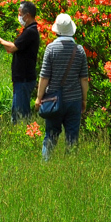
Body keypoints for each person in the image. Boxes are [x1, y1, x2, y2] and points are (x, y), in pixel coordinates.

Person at [35, 13, 89, 161]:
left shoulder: (51, 49)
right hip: (74, 100)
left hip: (53, 100)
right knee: (72, 137)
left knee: (50, 134)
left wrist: (39, 98)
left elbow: (44, 76)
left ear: (57, 30)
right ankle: (71, 168)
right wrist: (84, 100)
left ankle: (45, 166)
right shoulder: (79, 50)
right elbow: (84, 78)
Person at [0, 0, 41, 123]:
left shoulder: (31, 31)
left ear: (27, 15)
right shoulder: (29, 30)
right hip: (21, 79)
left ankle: (25, 136)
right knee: (18, 111)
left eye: (20, 13)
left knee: (20, 115)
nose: (19, 16)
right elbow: (14, 47)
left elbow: (13, 47)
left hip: (24, 79)